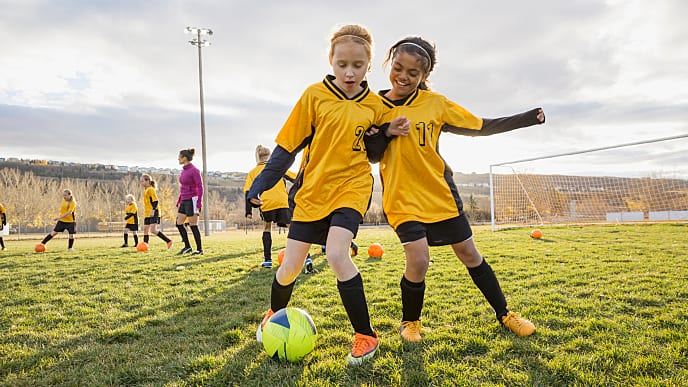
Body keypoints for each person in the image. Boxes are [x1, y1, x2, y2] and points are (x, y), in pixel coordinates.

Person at [248, 24, 408, 365]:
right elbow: (286, 149)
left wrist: (389, 132)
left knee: (336, 254)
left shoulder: (376, 105)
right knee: (290, 266)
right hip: (312, 193)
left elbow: (376, 150)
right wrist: (259, 184)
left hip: (352, 187)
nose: (349, 72)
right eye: (342, 64)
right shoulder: (314, 96)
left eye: (358, 65)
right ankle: (274, 313)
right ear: (331, 60)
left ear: (369, 64)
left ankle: (366, 335)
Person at [369, 36, 545, 342]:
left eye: (413, 73)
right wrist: (385, 130)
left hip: (439, 194)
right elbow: (371, 153)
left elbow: (480, 125)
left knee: (468, 252)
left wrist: (528, 118)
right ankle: (410, 322)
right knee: (419, 259)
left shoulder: (435, 104)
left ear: (423, 77)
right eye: (398, 67)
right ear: (388, 64)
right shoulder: (373, 105)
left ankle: (505, 314)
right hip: (401, 198)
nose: (404, 76)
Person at [244, 145, 297, 269]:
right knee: (292, 229)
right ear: (270, 156)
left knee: (267, 227)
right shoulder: (277, 167)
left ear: (257, 157)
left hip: (266, 204)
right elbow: (295, 177)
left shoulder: (252, 173)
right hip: (282, 202)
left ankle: (267, 260)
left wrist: (249, 211)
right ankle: (306, 257)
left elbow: (248, 192)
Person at [175, 148, 204, 255]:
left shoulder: (194, 171)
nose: (178, 158)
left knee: (193, 225)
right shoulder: (184, 170)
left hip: (193, 199)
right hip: (184, 199)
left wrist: (199, 202)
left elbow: (200, 187)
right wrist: (179, 200)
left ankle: (200, 249)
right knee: (179, 223)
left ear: (185, 158)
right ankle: (187, 247)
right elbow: (183, 187)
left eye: (179, 156)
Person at [140, 174, 174, 251]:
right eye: (141, 181)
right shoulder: (146, 190)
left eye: (142, 181)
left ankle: (169, 241)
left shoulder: (151, 189)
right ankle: (145, 246)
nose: (141, 183)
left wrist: (153, 210)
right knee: (145, 229)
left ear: (147, 181)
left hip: (154, 212)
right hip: (147, 213)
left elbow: (155, 201)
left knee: (153, 230)